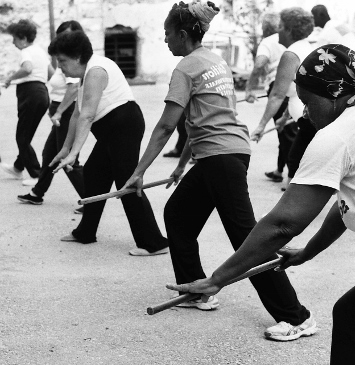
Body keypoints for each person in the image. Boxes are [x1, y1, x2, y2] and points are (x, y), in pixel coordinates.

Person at [168, 44, 355, 365]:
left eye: (309, 104)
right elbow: (349, 203)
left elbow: (282, 223)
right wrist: (310, 252)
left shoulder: (340, 135)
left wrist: (218, 279)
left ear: (334, 92)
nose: (306, 115)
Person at [121, 0, 315, 340]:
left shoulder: (186, 67)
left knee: (248, 239)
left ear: (182, 34)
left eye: (168, 35)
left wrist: (138, 172)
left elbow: (168, 126)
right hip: (227, 154)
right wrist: (182, 164)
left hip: (220, 158)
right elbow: (206, 118)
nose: (165, 40)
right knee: (178, 215)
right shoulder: (215, 62)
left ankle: (296, 316)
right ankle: (196, 290)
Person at [49, 31, 169, 256]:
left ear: (77, 57)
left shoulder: (96, 72)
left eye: (62, 61)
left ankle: (154, 243)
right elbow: (76, 114)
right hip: (112, 128)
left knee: (128, 183)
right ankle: (86, 232)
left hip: (123, 125)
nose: (61, 67)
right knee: (95, 173)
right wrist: (65, 148)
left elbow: (87, 116)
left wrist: (75, 153)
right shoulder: (85, 74)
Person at [17, 20, 85, 207]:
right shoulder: (62, 58)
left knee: (68, 159)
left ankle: (90, 199)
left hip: (67, 112)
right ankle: (37, 193)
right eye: (61, 35)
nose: (64, 39)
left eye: (68, 35)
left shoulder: (72, 59)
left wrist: (59, 112)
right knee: (49, 154)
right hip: (60, 112)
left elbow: (72, 89)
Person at [250, 7, 316, 191]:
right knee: (295, 159)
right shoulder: (305, 47)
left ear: (288, 30)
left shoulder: (290, 55)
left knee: (297, 163)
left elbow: (278, 94)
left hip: (310, 119)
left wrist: (262, 126)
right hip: (308, 118)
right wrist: (285, 117)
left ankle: (291, 213)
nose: (277, 30)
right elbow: (297, 90)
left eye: (280, 26)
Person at [245, 12, 299, 184]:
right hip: (295, 86)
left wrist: (249, 88)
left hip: (278, 87)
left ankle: (293, 178)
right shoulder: (292, 41)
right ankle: (279, 170)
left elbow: (260, 64)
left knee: (287, 135)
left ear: (264, 28)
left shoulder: (267, 42)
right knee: (285, 132)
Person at [1, 19, 50, 182]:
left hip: (30, 94)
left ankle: (37, 175)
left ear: (22, 38)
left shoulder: (26, 52)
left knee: (21, 137)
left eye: (14, 38)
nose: (13, 43)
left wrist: (10, 78)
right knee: (26, 135)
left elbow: (27, 68)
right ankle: (18, 167)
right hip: (42, 94)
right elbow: (51, 73)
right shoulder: (40, 52)